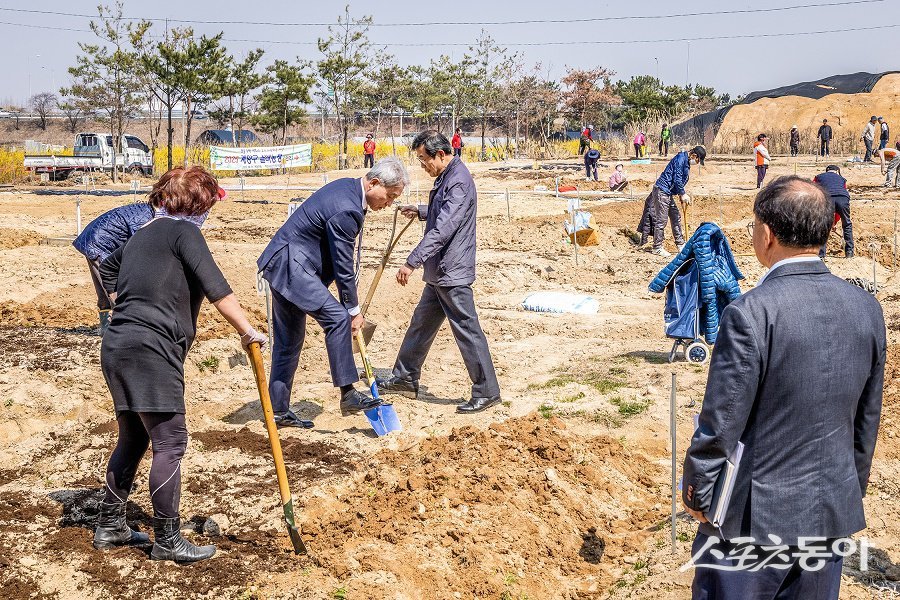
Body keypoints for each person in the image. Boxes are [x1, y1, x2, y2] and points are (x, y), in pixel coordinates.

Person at [682, 176, 884, 600]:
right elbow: (866, 422)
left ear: (767, 234)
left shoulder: (751, 312)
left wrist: (698, 489)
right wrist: (847, 488)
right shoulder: (867, 308)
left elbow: (721, 421)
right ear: (830, 229)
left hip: (754, 522)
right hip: (829, 513)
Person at [95, 166, 267, 563]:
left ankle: (110, 524)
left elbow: (106, 264)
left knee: (134, 437)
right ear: (199, 203)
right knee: (170, 442)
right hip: (151, 349)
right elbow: (218, 288)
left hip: (118, 344)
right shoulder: (186, 233)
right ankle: (168, 540)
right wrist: (248, 330)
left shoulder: (141, 235)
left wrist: (121, 299)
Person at [257, 157, 409, 427]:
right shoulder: (347, 209)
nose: (390, 204)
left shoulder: (347, 190)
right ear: (374, 183)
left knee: (289, 340)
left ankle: (278, 411)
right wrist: (353, 310)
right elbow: (343, 265)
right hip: (292, 267)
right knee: (337, 319)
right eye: (390, 196)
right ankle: (348, 393)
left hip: (285, 265)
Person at [377, 130, 501, 414]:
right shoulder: (448, 176)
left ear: (441, 155)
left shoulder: (458, 181)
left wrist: (412, 261)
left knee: (467, 331)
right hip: (440, 272)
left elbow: (443, 229)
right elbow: (444, 211)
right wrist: (421, 210)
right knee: (421, 324)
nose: (423, 166)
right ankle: (405, 378)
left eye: (424, 160)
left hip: (452, 270)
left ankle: (487, 390)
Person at [72, 201, 155, 335]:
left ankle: (106, 328)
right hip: (99, 245)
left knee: (103, 287)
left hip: (92, 240)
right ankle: (124, 330)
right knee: (113, 288)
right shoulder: (146, 218)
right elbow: (139, 245)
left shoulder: (143, 210)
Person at [642, 145, 706, 257]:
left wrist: (681, 194)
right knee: (662, 220)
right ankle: (657, 247)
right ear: (694, 155)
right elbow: (677, 178)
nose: (696, 162)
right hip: (661, 190)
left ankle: (680, 244)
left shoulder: (685, 161)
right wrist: (683, 193)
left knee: (676, 216)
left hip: (668, 193)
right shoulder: (681, 158)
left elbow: (679, 180)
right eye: (697, 160)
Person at [814, 165, 854, 258]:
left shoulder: (818, 177)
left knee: (823, 225)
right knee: (847, 223)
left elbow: (814, 190)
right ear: (837, 171)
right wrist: (834, 222)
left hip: (827, 198)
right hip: (843, 198)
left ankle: (821, 255)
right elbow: (838, 206)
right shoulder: (842, 179)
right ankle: (849, 253)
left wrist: (830, 223)